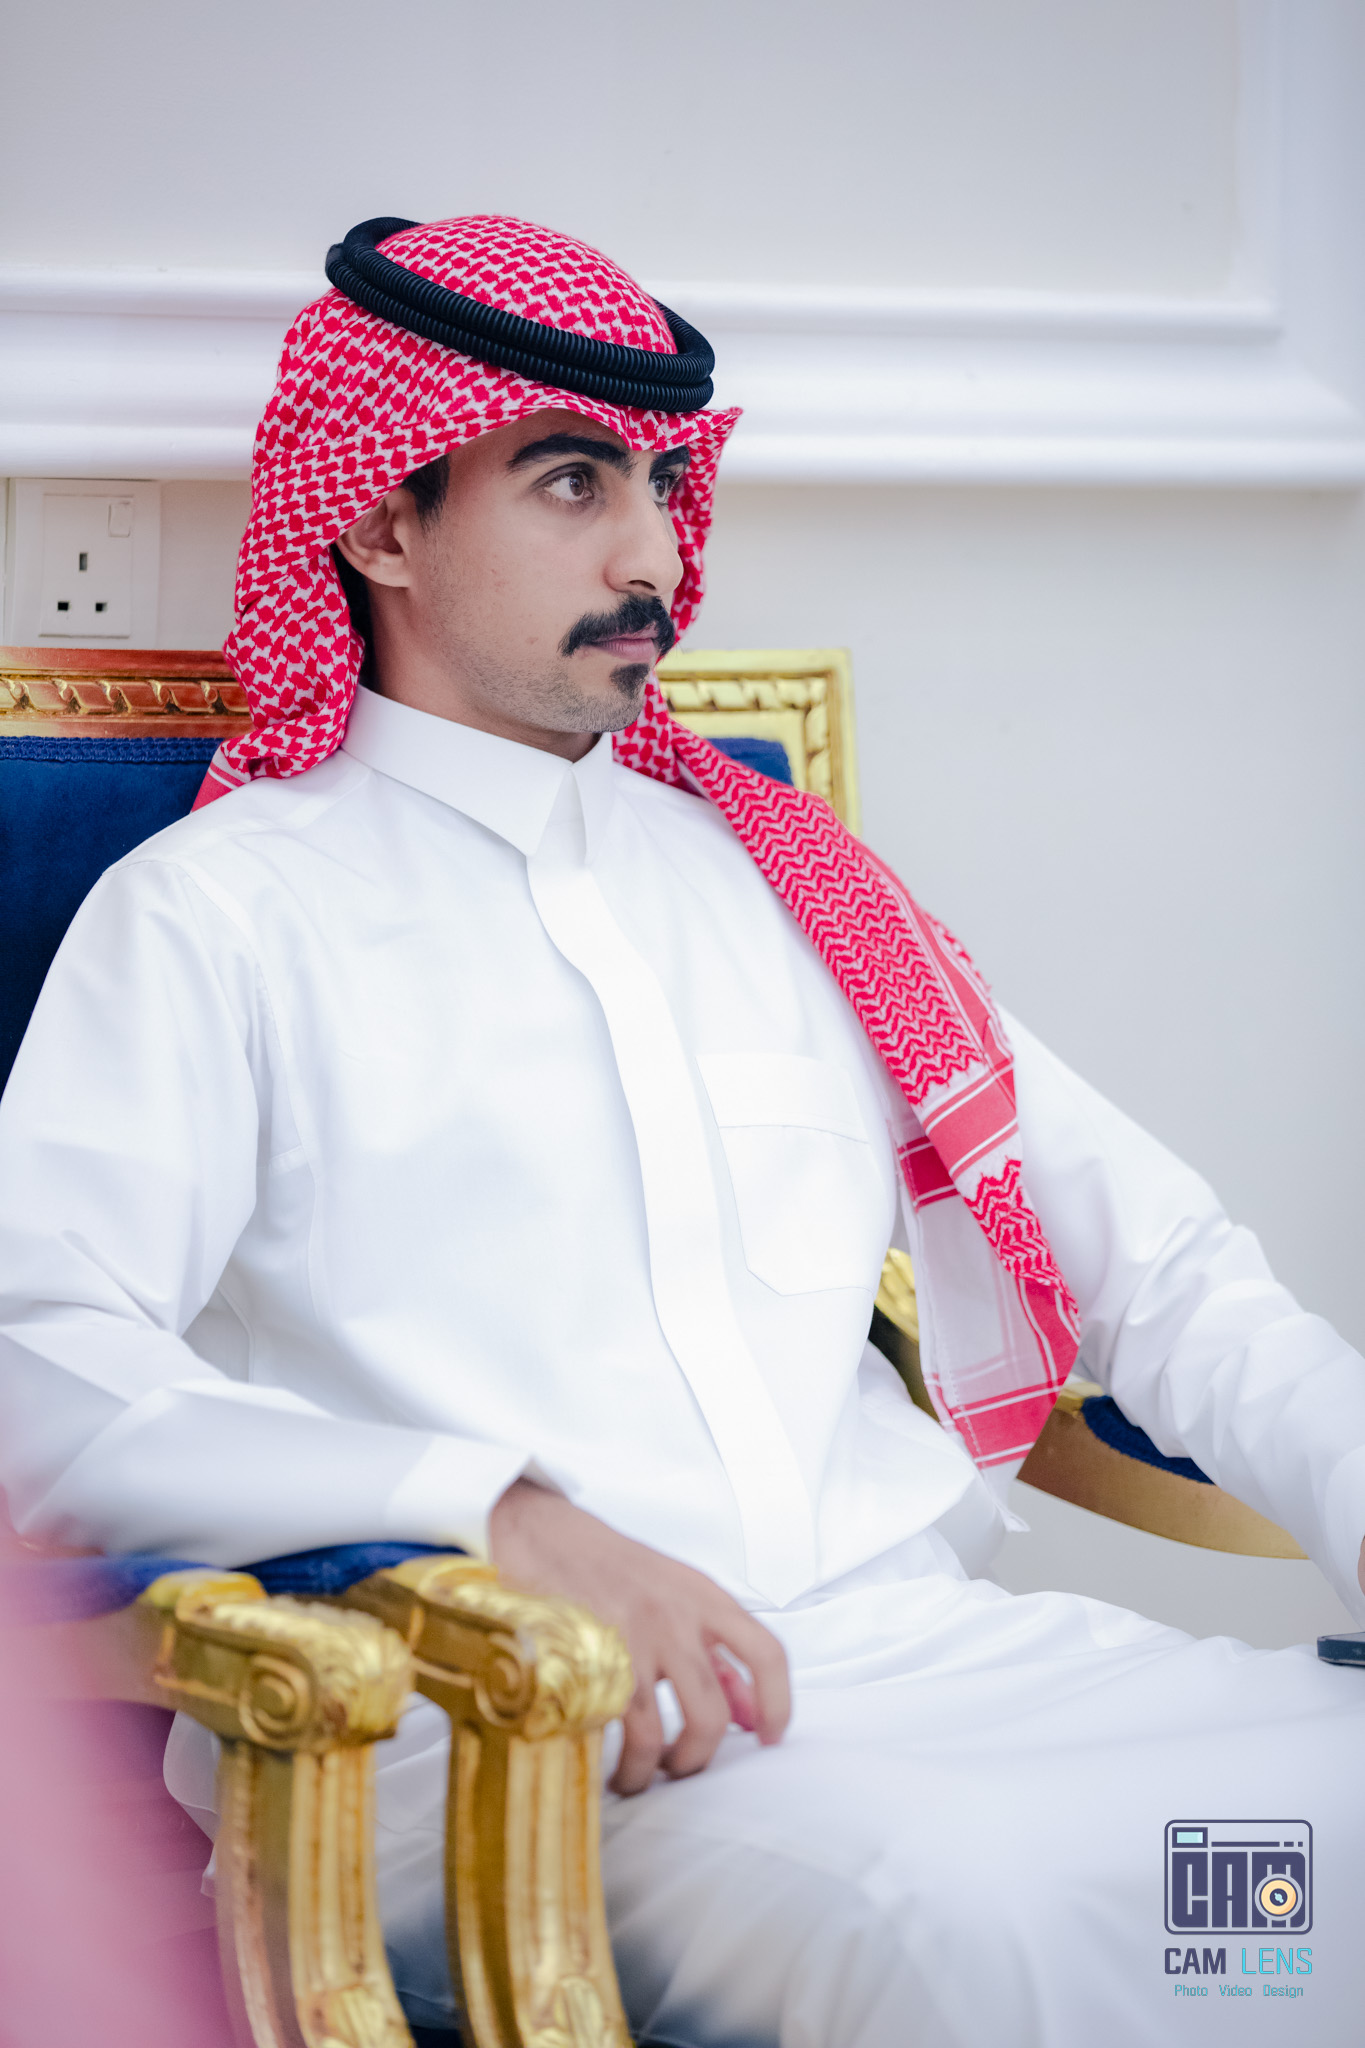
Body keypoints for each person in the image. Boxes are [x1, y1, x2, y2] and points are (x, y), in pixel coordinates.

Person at [1, 214, 1363, 2048]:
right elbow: (38, 1362)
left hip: (929, 1654)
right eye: (571, 482)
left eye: (658, 481)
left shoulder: (783, 881)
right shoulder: (217, 917)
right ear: (381, 519)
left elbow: (1161, 1264)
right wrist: (486, 1513)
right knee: (985, 1913)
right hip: (494, 1720)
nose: (650, 554)